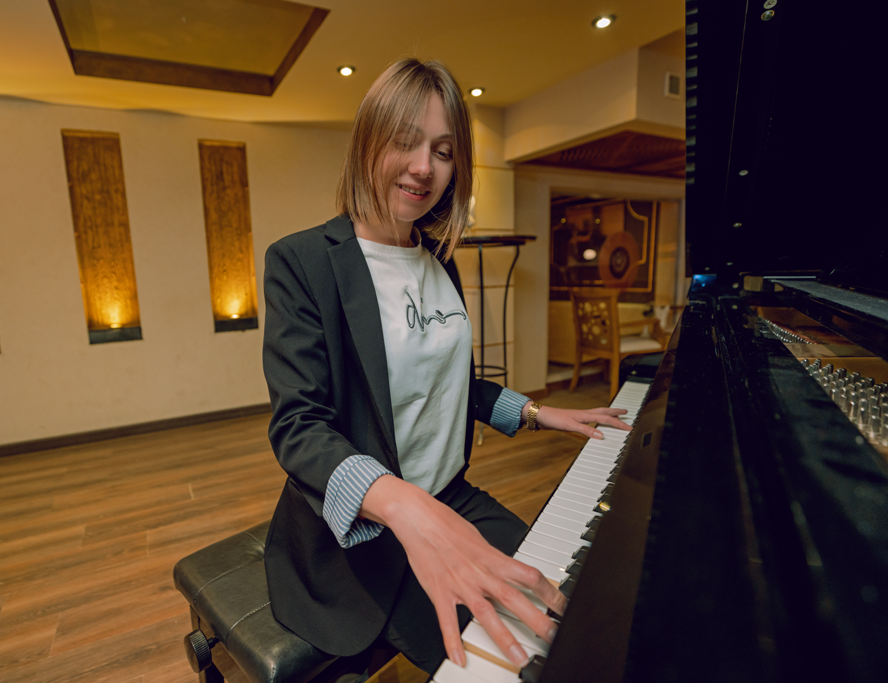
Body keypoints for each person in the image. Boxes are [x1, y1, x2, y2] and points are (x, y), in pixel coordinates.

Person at [262, 58, 631, 674]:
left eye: (443, 150)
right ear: (367, 142)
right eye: (405, 141)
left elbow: (444, 380)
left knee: (567, 602)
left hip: (450, 496)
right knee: (514, 662)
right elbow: (298, 426)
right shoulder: (303, 262)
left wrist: (537, 413)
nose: (423, 167)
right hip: (363, 535)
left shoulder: (439, 257)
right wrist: (406, 506)